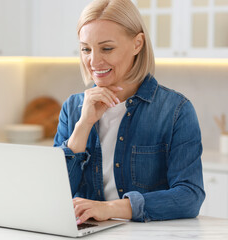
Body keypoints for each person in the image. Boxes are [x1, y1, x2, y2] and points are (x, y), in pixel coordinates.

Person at [54, 0, 205, 224]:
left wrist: (111, 208)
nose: (93, 61)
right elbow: (53, 194)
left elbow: (189, 196)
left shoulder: (176, 110)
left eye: (107, 48)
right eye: (86, 49)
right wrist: (83, 126)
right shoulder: (72, 108)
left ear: (137, 44)